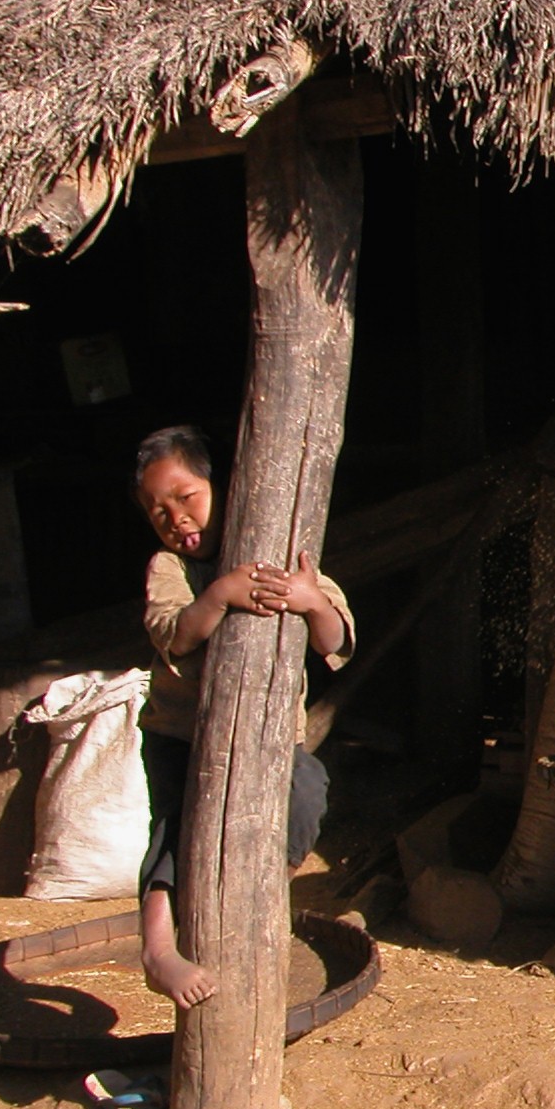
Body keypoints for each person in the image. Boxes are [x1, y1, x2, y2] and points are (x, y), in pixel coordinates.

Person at [133, 425, 355, 1009]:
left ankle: (264, 899)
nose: (176, 518)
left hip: (271, 740)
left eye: (187, 497)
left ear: (225, 488)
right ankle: (158, 948)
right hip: (180, 734)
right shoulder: (169, 568)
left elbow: (334, 639)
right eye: (159, 512)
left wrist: (310, 600)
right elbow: (174, 635)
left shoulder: (282, 556)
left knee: (306, 790)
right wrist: (219, 595)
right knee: (175, 829)